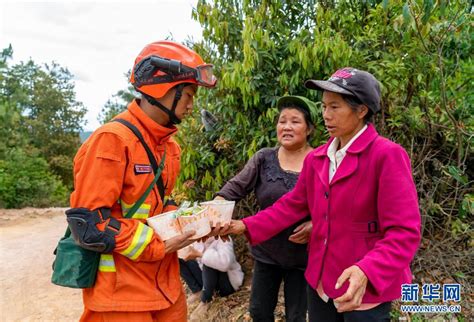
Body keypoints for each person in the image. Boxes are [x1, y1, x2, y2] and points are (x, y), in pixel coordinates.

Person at [221, 68, 421, 322]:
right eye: (324, 106)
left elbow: (404, 231)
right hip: (321, 284)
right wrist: (244, 225)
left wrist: (366, 270)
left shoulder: (385, 156)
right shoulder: (317, 158)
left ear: (361, 111)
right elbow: (293, 205)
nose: (326, 115)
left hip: (363, 290)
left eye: (335, 107)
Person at [67, 41, 217, 321]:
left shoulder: (169, 147)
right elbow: (88, 226)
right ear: (164, 91)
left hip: (167, 289)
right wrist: (157, 244)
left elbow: (159, 206)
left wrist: (193, 224)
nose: (192, 105)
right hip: (121, 297)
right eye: (188, 95)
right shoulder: (111, 141)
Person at [214, 96, 318, 321]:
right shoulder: (264, 158)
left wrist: (316, 225)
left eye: (295, 121)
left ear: (309, 128)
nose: (286, 127)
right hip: (267, 252)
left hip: (304, 256)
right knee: (259, 311)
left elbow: (336, 206)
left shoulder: (320, 161)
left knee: (297, 316)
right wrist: (218, 206)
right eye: (282, 121)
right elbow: (235, 187)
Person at [178, 237, 244, 320]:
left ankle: (205, 301)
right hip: (207, 279)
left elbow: (225, 264)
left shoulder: (223, 238)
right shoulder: (199, 240)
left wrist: (200, 255)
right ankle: (197, 290)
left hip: (226, 282)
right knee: (179, 257)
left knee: (209, 260)